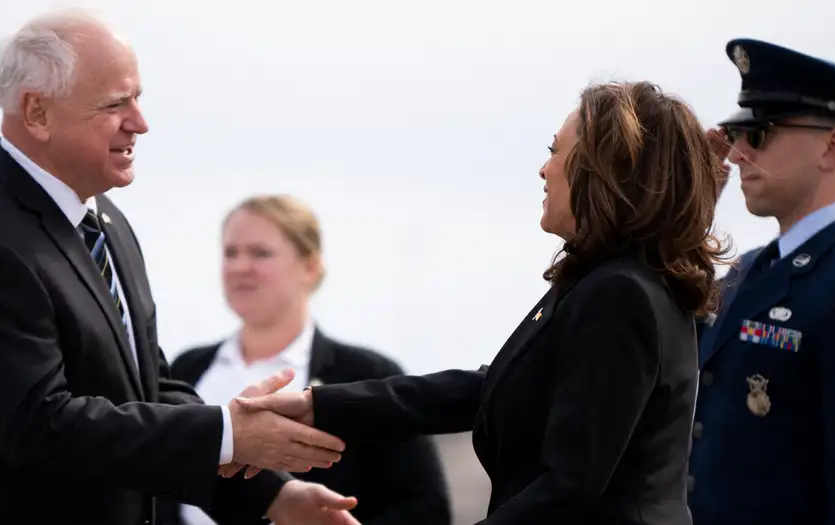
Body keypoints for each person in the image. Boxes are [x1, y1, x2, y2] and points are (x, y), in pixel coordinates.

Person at [0, 9, 360, 525]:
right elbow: (42, 428)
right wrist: (228, 433)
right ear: (37, 114)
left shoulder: (104, 220)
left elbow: (147, 390)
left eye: (138, 98)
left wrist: (271, 495)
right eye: (116, 104)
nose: (140, 122)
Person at [233, 80, 730, 524]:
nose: (544, 169)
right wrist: (318, 406)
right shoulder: (610, 283)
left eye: (557, 152)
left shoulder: (620, 294)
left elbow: (569, 487)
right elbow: (490, 388)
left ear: (606, 170)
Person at [686, 38, 835, 524]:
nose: (734, 155)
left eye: (758, 133)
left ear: (832, 146)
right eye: (736, 134)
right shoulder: (747, 271)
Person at [159, 195, 452, 525]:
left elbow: (426, 508)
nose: (240, 266)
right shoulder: (186, 369)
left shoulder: (367, 376)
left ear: (310, 266)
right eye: (231, 253)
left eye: (260, 252)